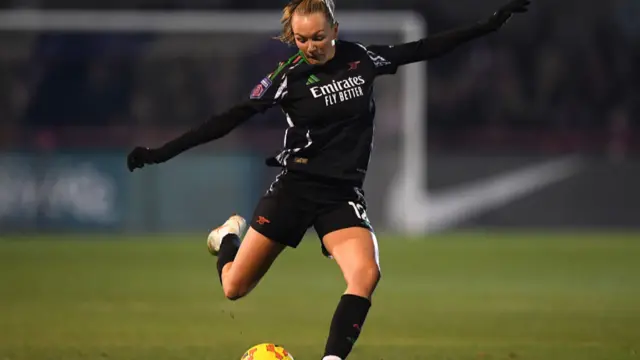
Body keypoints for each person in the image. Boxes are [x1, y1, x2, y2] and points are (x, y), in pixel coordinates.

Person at [126, 0, 530, 358]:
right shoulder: (287, 76)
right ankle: (230, 236)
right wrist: (161, 153)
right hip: (296, 188)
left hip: (341, 195)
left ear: (335, 29)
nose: (310, 46)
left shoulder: (364, 59)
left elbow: (422, 49)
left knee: (366, 274)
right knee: (234, 287)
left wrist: (487, 26)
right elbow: (228, 119)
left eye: (318, 36)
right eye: (301, 40)